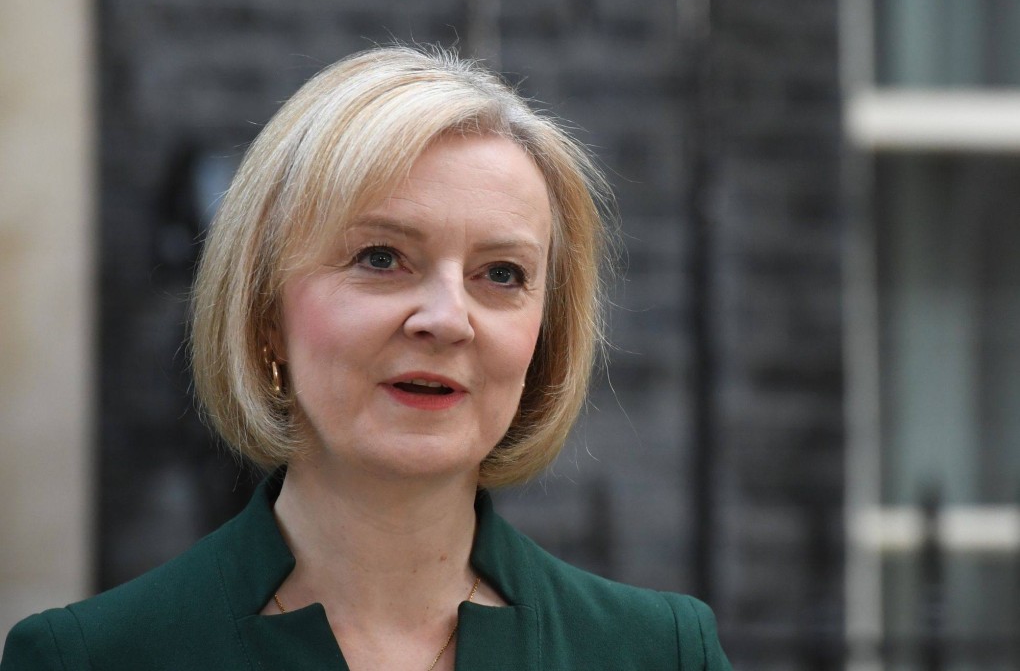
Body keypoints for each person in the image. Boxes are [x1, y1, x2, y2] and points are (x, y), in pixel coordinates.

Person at [1, 46, 731, 670]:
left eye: (501, 273)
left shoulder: (658, 653)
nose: (447, 320)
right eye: (381, 258)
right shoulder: (92, 659)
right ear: (264, 312)